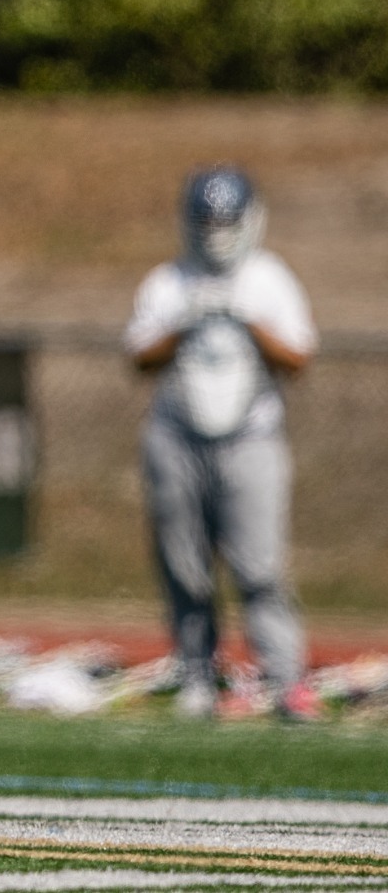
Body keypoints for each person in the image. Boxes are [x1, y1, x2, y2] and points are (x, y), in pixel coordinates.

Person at [123, 165, 319, 720]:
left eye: (225, 223)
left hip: (251, 437)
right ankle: (197, 674)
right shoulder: (169, 282)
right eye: (206, 223)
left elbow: (299, 356)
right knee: (184, 566)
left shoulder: (269, 279)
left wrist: (248, 322)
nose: (215, 235)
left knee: (260, 566)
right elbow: (139, 356)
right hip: (177, 437)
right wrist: (185, 323)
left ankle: (286, 681)